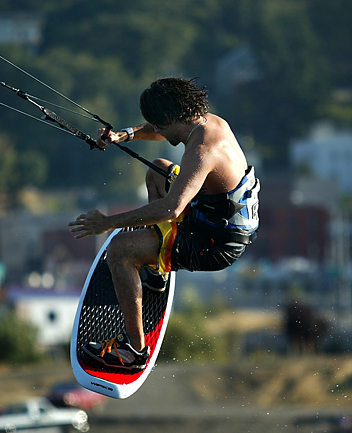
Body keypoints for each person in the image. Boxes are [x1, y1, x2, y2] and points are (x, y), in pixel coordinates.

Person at [69, 77, 260, 370]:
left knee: (119, 252)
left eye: (157, 125)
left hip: (215, 242)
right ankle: (156, 269)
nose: (155, 130)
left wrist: (107, 223)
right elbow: (158, 131)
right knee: (159, 170)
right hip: (211, 213)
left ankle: (133, 352)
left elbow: (171, 209)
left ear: (171, 118)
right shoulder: (205, 122)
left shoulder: (204, 149)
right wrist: (125, 135)